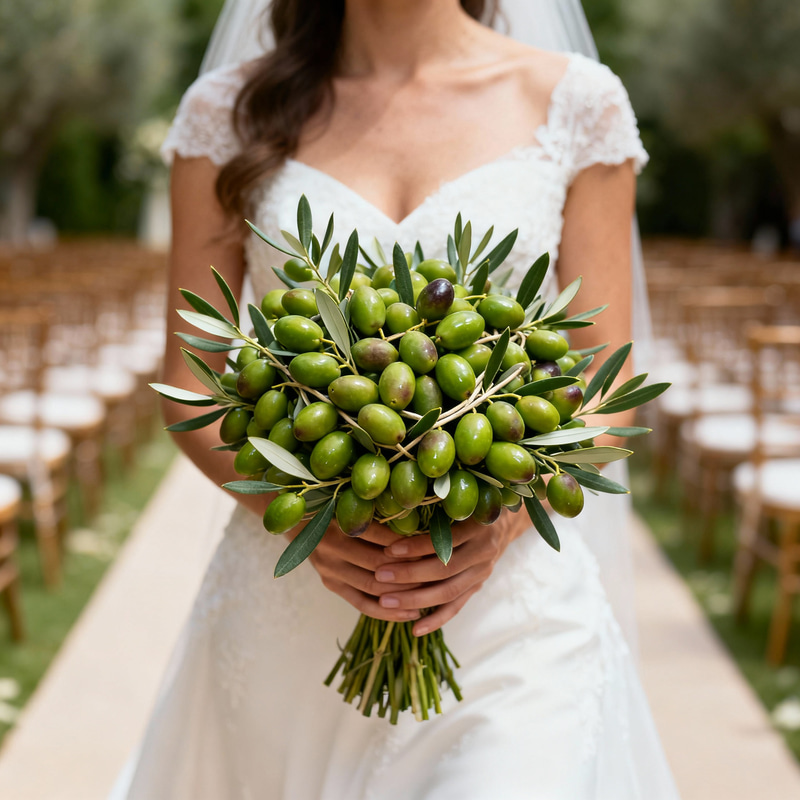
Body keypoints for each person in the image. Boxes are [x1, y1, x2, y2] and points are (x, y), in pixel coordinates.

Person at [117, 1, 681, 797]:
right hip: (293, 607)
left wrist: (502, 523)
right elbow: (192, 379)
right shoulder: (227, 113)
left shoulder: (576, 104)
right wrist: (315, 525)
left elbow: (608, 378)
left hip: (508, 620)